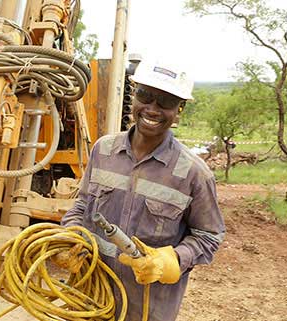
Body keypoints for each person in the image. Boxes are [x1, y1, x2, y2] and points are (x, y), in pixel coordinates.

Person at [61, 60, 226, 321]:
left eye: (166, 102)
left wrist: (172, 260)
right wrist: (69, 237)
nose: (152, 108)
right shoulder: (103, 151)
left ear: (179, 110)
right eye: (145, 96)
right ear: (133, 95)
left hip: (147, 309)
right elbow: (82, 206)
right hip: (90, 298)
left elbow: (209, 236)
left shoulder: (194, 173)